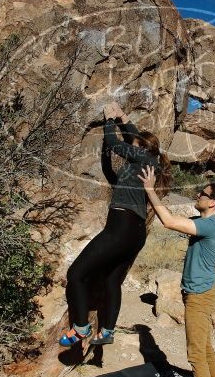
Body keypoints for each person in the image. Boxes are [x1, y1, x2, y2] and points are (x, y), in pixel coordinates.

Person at [59, 102, 171, 348]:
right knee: (112, 282)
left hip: (120, 228)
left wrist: (109, 120)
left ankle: (80, 328)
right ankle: (107, 331)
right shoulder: (146, 163)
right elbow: (127, 145)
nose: (131, 142)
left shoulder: (143, 156)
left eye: (135, 142)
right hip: (136, 233)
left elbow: (116, 143)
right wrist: (123, 117)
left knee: (76, 274)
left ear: (142, 147)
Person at [139, 165, 215, 377]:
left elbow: (168, 221)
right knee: (204, 350)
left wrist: (149, 190)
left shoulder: (208, 225)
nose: (198, 194)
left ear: (212, 202)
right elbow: (173, 216)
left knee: (195, 355)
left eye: (203, 193)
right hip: (199, 293)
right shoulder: (205, 222)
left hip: (199, 297)